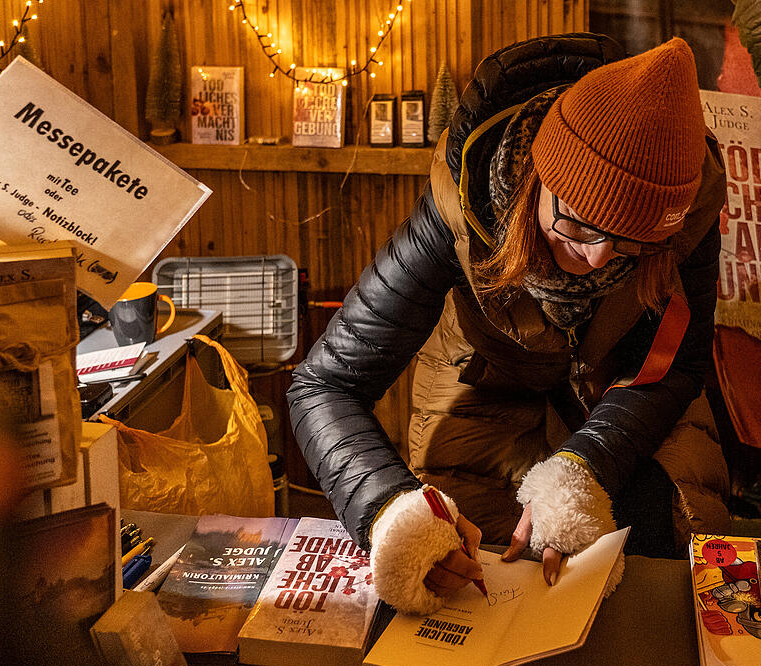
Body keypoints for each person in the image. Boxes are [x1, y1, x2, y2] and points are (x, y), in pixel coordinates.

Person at [288, 33, 728, 614]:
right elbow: (324, 384)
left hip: (625, 390)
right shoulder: (456, 207)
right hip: (482, 379)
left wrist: (583, 467)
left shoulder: (688, 209)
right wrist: (390, 510)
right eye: (578, 223)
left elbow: (679, 362)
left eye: (631, 243)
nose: (598, 257)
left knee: (661, 542)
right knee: (468, 570)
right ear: (535, 179)